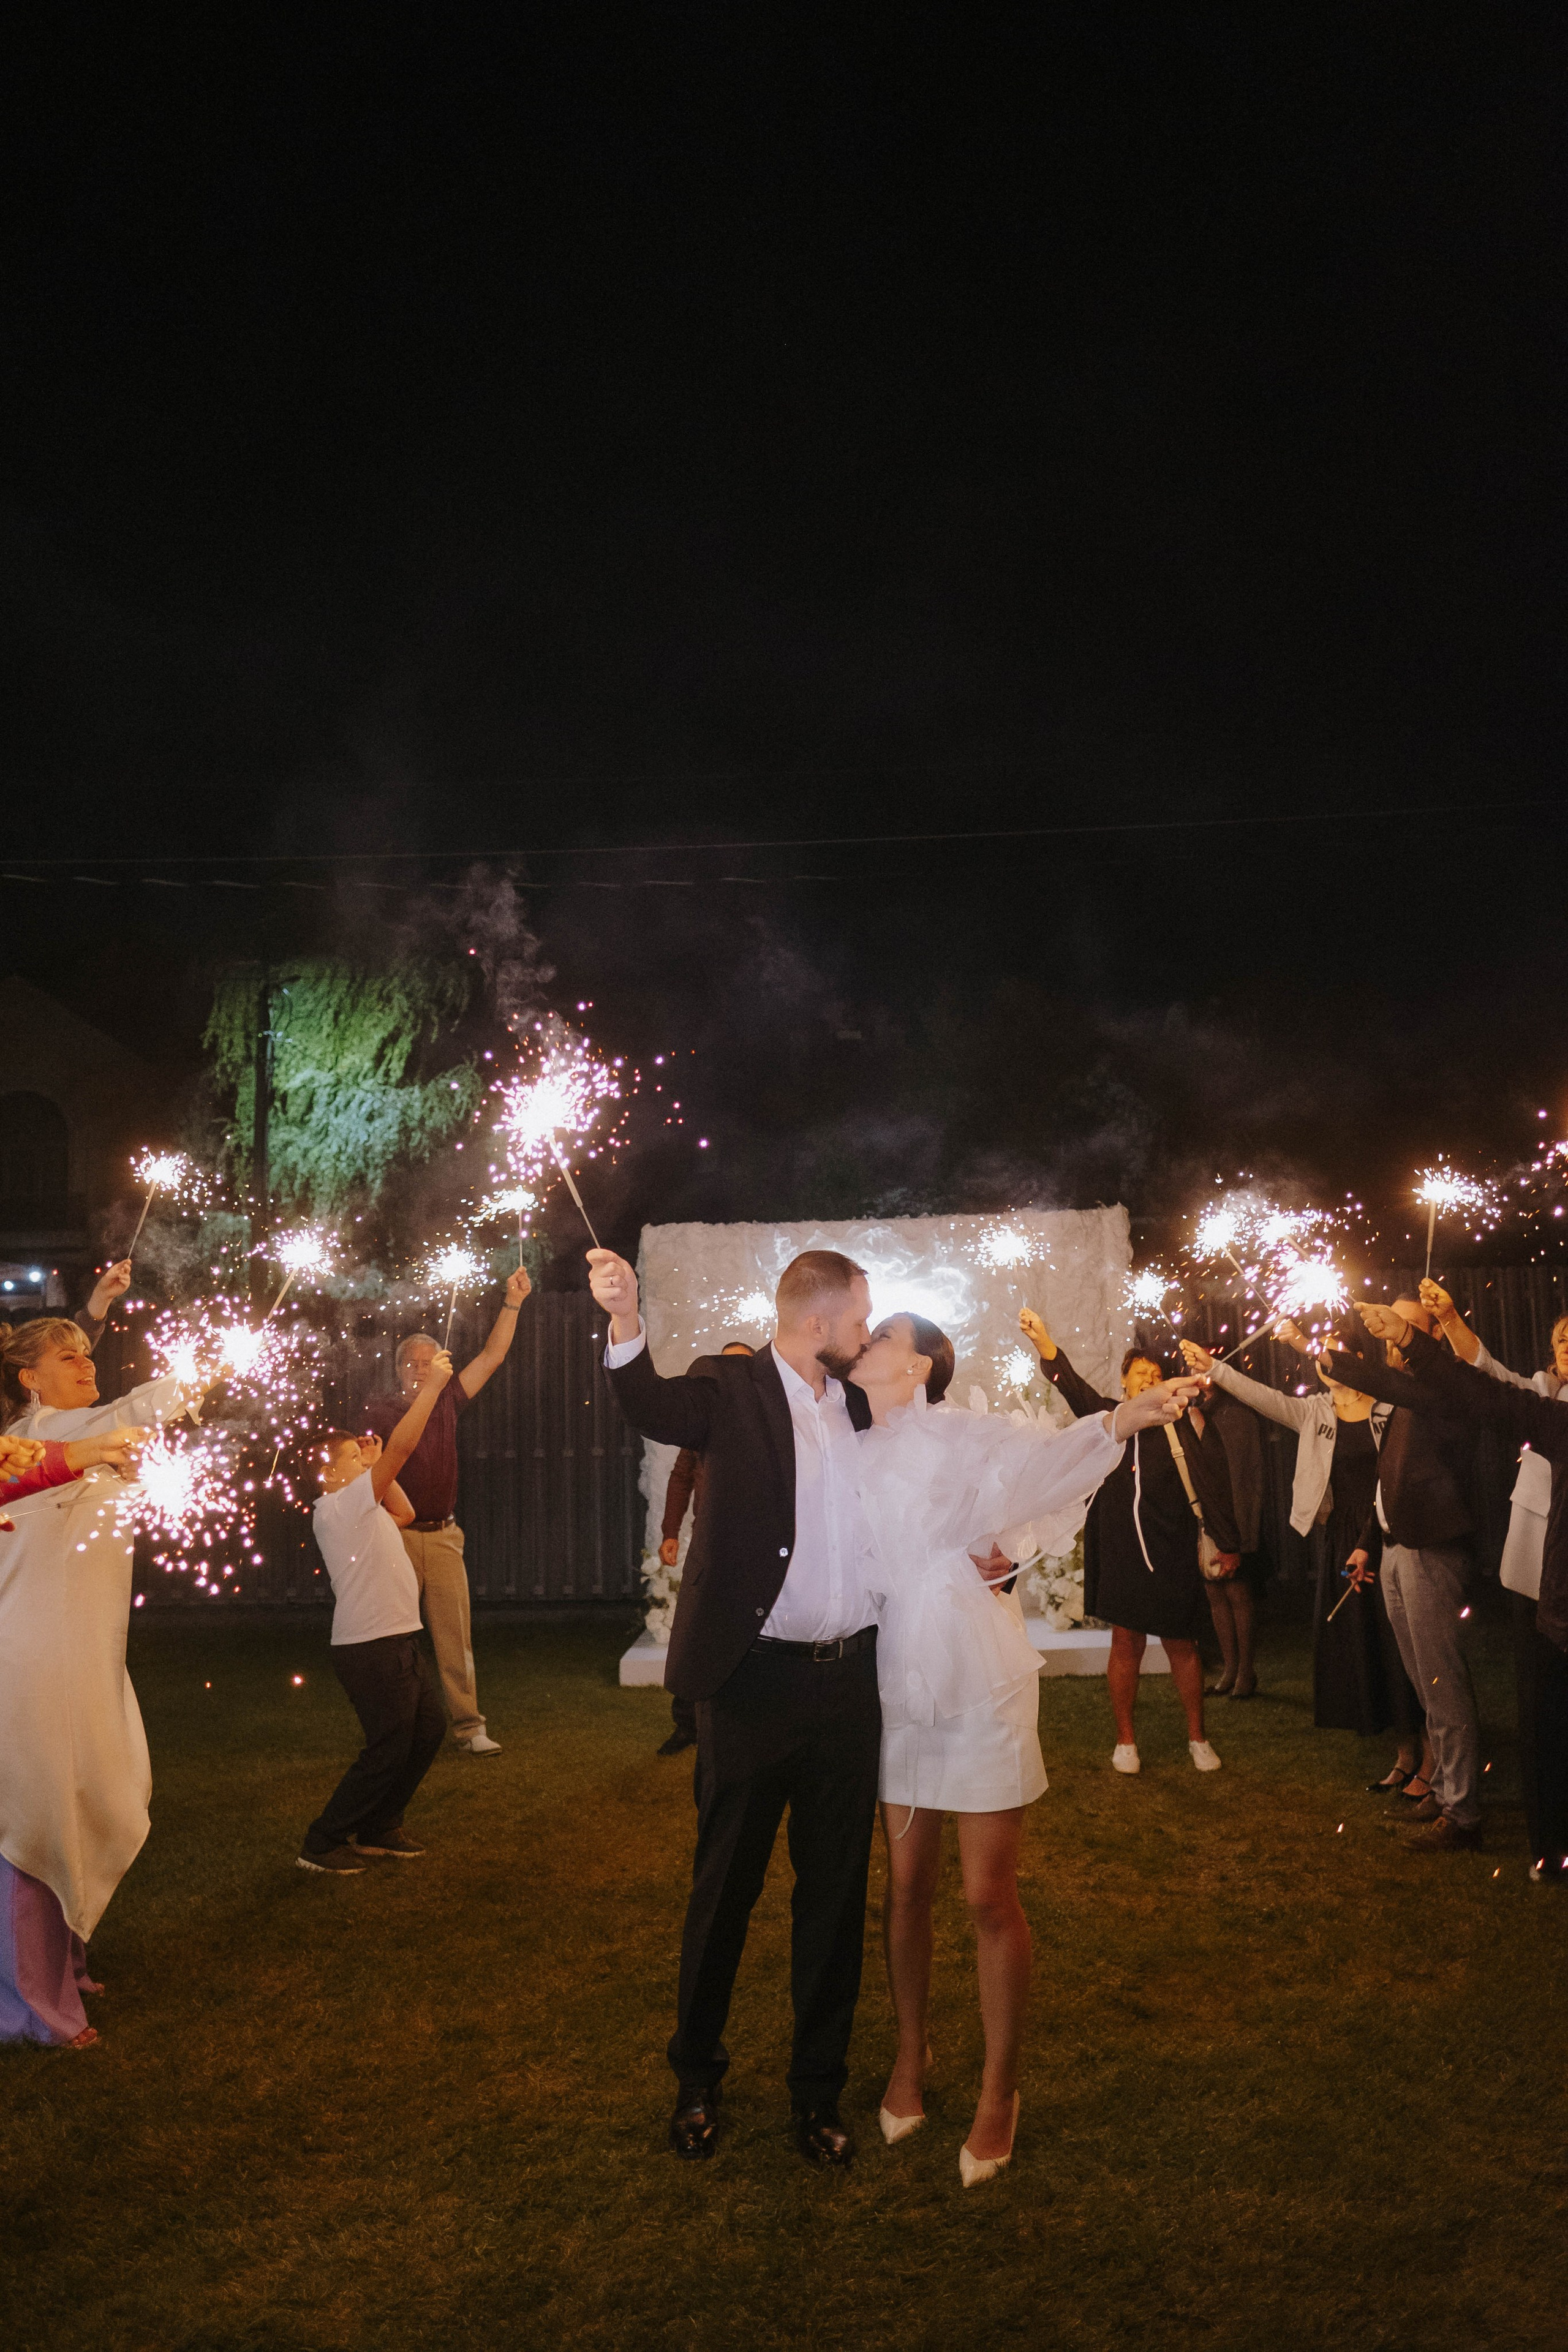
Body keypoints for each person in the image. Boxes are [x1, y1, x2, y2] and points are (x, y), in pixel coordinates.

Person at [854, 1310, 1199, 2185]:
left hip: (981, 1680)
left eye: (886, 1335)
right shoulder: (842, 1443)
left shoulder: (967, 1435)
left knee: (984, 1895)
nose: (868, 1343)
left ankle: (1001, 2091)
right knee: (903, 1887)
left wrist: (1122, 1417)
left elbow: (1044, 1468)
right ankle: (909, 2055)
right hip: (896, 1685)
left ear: (926, 1366)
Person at [589, 1243, 878, 2169]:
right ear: (817, 1320)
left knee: (833, 1903)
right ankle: (697, 2081)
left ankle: (816, 2094)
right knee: (727, 1893)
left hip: (850, 1687)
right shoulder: (732, 1386)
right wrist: (626, 1317)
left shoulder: (863, 1407)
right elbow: (653, 1404)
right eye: (860, 1318)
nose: (866, 1333)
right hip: (753, 1685)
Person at [0, 1317, 200, 2046]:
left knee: (95, 1801)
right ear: (28, 1376)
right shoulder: (34, 1444)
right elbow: (133, 1412)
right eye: (66, 1356)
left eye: (88, 1352)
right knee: (37, 1819)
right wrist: (189, 1379)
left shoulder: (76, 1430)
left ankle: (68, 1962)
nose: (86, 1363)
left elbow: (130, 1416)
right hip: (31, 1659)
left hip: (85, 1659)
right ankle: (32, 2011)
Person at [1179, 1329, 1428, 1790]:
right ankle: (1404, 1752)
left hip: (1388, 1530)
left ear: (1356, 1360)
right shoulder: (1314, 1411)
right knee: (1365, 1642)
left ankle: (1430, 1756)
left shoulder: (1388, 1405)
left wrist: (1302, 1341)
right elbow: (1259, 1395)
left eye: (1334, 1352)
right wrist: (1214, 1369)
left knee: (1402, 1644)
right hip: (1341, 1536)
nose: (1323, 1361)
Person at [1019, 1309, 1235, 1774]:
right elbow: (1070, 1384)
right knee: (1126, 1644)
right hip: (1121, 1551)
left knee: (1182, 1646)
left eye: (1156, 1375)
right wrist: (1045, 1343)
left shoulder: (1180, 1428)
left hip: (1171, 1549)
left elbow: (1213, 1486)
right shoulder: (1107, 1419)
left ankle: (1198, 1737)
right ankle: (1126, 1742)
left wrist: (1228, 1541)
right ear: (1124, 1384)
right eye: (1141, 1375)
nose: (1150, 1381)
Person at [1410, 1283, 1568, 1882]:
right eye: (1559, 1337)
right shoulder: (1535, 1392)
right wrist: (1447, 1318)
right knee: (1539, 1708)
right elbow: (1483, 1376)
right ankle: (1548, 1841)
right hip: (1531, 1571)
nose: (1566, 1344)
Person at [1316, 1298, 1482, 1852]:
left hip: (1432, 1549)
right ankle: (1441, 1787)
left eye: (1406, 1325)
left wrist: (1336, 1361)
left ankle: (1462, 1813)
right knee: (1423, 1681)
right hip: (1393, 1550)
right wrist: (1367, 1544)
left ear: (1432, 1334)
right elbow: (1388, 1481)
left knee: (1444, 1683)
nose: (1392, 1333)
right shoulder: (1399, 1391)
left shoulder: (1445, 1387)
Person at [298, 1349, 458, 1874]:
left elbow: (406, 1513)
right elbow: (405, 1446)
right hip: (369, 1646)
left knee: (428, 1730)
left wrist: (373, 1469)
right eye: (354, 1457)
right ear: (329, 1473)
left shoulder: (363, 1503)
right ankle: (323, 1841)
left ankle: (380, 1827)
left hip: (395, 1640)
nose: (365, 1460)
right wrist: (432, 1388)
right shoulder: (338, 1505)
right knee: (388, 1746)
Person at [363, 1266, 532, 1757]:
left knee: (454, 1636)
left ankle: (467, 1727)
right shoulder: (379, 1407)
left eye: (427, 1361)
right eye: (410, 1363)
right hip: (393, 1535)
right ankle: (395, 1730)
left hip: (442, 1537)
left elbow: (493, 1355)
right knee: (391, 1638)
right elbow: (376, 1465)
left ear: (440, 1364)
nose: (418, 1369)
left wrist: (513, 1302)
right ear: (398, 1370)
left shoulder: (448, 1399)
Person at [655, 1341, 756, 1757]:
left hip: (759, 1549)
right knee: (696, 1630)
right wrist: (670, 1532)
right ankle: (687, 1724)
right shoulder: (705, 1423)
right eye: (727, 1365)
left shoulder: (772, 1423)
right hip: (711, 1544)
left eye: (742, 1366)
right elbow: (681, 1477)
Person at [1186, 1366, 1265, 1698]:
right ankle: (1230, 1668)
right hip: (1209, 1518)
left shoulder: (1234, 1415)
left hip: (1233, 1519)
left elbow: (1237, 1479)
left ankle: (1245, 1672)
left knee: (1236, 1593)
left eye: (1202, 1368)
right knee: (1215, 1594)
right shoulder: (1202, 1411)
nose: (1194, 1374)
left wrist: (1235, 1536)